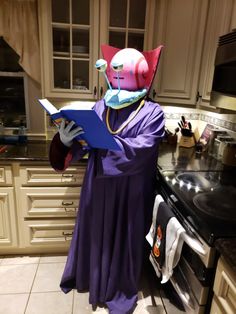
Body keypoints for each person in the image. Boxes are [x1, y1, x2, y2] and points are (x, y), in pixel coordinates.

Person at [49, 44, 165, 314]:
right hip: (99, 186)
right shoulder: (101, 106)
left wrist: (104, 143)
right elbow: (83, 143)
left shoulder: (154, 113)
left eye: (124, 74)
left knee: (124, 235)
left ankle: (117, 287)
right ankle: (95, 279)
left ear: (140, 75)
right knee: (97, 235)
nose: (118, 80)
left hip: (130, 190)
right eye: (116, 75)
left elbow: (141, 150)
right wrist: (65, 141)